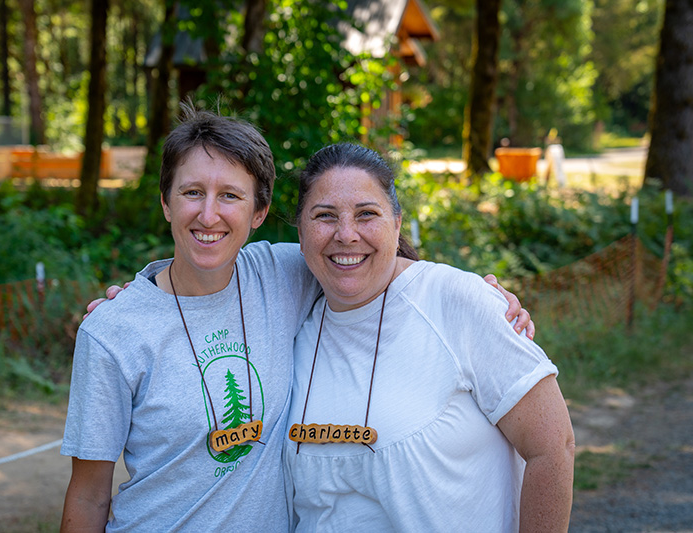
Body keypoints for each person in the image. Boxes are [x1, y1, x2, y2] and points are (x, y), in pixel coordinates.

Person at [64, 106, 533, 532]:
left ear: (259, 212)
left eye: (230, 195)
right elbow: (87, 496)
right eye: (191, 192)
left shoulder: (282, 273)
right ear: (166, 202)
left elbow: (368, 255)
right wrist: (124, 305)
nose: (209, 214)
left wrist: (477, 295)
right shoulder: (113, 331)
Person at [284, 143, 575, 532]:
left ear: (398, 223)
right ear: (301, 231)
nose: (346, 234)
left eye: (367, 214)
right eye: (325, 216)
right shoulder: (295, 323)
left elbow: (554, 448)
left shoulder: (456, 301)